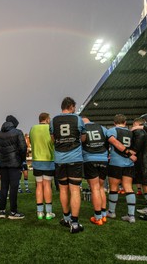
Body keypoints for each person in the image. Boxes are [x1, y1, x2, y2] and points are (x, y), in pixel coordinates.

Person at [50, 97, 86, 233]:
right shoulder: (77, 119)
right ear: (70, 106)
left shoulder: (53, 120)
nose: (75, 110)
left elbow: (53, 139)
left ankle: (66, 218)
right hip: (74, 158)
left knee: (63, 190)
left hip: (60, 159)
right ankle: (75, 223)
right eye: (74, 107)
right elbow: (83, 138)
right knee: (75, 190)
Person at [0, 115, 27, 219]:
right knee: (14, 188)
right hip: (14, 164)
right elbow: (23, 148)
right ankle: (13, 211)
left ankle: (2, 211)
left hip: (3, 164)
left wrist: (1, 157)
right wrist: (21, 160)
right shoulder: (18, 132)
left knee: (4, 187)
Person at [106, 114, 137, 224]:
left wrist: (127, 153)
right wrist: (131, 154)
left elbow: (116, 143)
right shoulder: (131, 132)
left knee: (113, 187)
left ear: (114, 122)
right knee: (128, 188)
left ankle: (111, 212)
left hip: (116, 163)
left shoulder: (112, 130)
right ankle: (131, 215)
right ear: (125, 122)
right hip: (129, 164)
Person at [81, 116, 109, 226]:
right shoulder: (102, 128)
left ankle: (97, 217)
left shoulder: (82, 128)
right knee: (101, 188)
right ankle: (103, 215)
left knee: (95, 188)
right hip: (103, 159)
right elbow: (109, 140)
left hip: (90, 159)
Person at [29, 112, 56, 220]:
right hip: (48, 160)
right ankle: (49, 212)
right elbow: (53, 142)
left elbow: (31, 142)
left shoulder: (32, 129)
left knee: (39, 185)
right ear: (47, 119)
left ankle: (40, 212)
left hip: (36, 160)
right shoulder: (49, 128)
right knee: (47, 185)